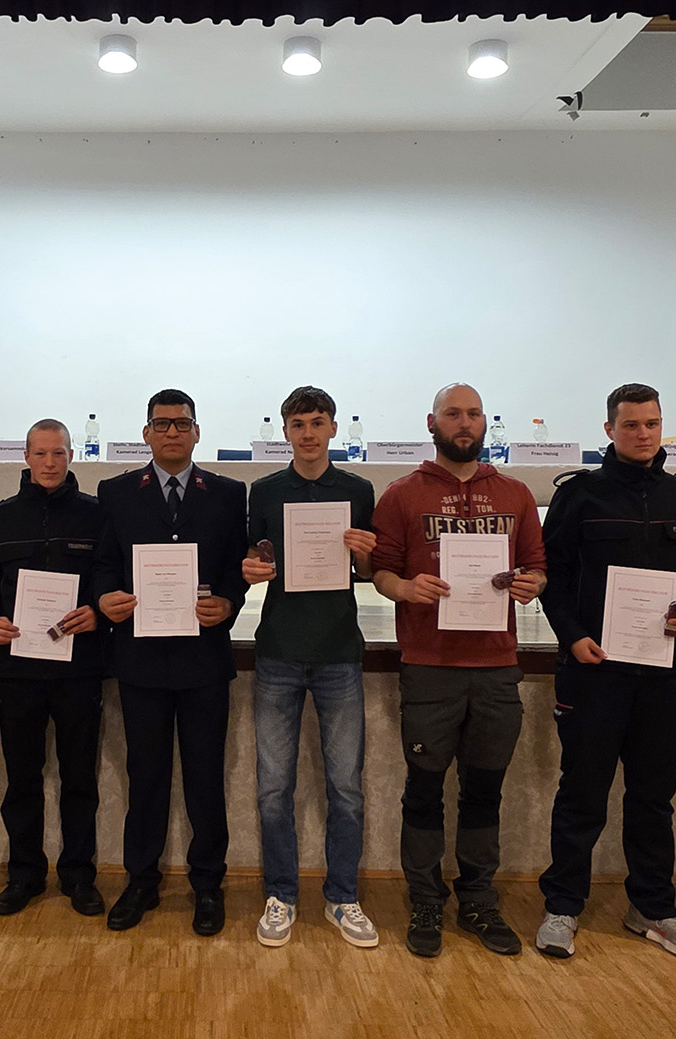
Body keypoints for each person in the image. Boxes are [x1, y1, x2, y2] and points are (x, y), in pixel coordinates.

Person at [534, 383, 676, 961]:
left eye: (652, 424)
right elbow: (553, 574)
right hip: (593, 671)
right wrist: (572, 636)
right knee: (582, 794)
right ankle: (562, 907)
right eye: (631, 425)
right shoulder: (579, 495)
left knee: (653, 798)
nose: (643, 434)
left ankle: (653, 909)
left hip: (666, 675)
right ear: (609, 430)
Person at [372, 382, 545, 958]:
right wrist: (405, 588)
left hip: (496, 667)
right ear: (432, 422)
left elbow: (537, 567)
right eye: (453, 413)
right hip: (429, 666)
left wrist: (531, 584)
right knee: (423, 790)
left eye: (473, 414)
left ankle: (478, 899)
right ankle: (425, 899)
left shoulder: (515, 494)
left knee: (484, 791)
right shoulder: (401, 494)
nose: (464, 423)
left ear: (485, 422)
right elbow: (381, 572)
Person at [93, 389, 247, 936]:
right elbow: (103, 564)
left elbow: (235, 568)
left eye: (182, 424)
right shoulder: (115, 492)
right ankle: (141, 881)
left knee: (205, 778)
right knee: (146, 777)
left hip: (204, 661)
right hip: (141, 662)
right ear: (146, 434)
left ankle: (207, 884)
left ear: (197, 432)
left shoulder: (228, 493)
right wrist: (105, 597)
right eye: (162, 424)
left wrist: (229, 603)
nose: (172, 432)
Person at [242, 386, 379, 949]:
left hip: (339, 652)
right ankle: (282, 894)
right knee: (274, 789)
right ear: (285, 432)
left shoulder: (358, 490)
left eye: (317, 422)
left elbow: (369, 571)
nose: (307, 433)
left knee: (345, 788)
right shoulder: (264, 491)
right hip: (277, 650)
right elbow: (253, 559)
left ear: (333, 429)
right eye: (298, 424)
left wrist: (364, 553)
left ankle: (343, 896)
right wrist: (252, 569)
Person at [0, 419, 108, 918]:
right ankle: (24, 875)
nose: (50, 463)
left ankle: (79, 876)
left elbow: (110, 577)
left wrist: (97, 612)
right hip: (18, 669)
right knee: (22, 780)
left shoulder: (97, 516)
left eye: (59, 453)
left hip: (79, 669)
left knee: (79, 780)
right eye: (41, 453)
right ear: (26, 458)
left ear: (72, 455)